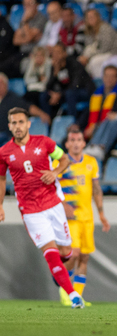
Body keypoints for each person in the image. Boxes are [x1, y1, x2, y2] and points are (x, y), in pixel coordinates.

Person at [0, 107, 84, 308]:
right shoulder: (4, 152)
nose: (17, 126)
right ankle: (73, 295)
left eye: (21, 122)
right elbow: (2, 179)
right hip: (30, 210)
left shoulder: (45, 143)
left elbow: (64, 159)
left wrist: (55, 172)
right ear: (9, 126)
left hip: (53, 204)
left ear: (28, 124)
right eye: (13, 123)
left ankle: (60, 274)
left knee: (66, 251)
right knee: (51, 251)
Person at [54, 127, 110, 306]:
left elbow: (96, 189)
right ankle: (65, 289)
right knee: (73, 254)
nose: (76, 143)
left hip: (87, 217)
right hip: (69, 219)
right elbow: (50, 188)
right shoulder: (60, 163)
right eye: (72, 140)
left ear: (84, 143)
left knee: (84, 257)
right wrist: (62, 206)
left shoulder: (91, 162)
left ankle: (77, 296)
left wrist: (101, 214)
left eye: (79, 140)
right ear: (67, 144)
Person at [41, 42, 94, 119]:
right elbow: (48, 87)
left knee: (70, 94)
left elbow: (76, 85)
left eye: (58, 52)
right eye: (53, 53)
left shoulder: (74, 64)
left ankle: (72, 121)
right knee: (44, 95)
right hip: (66, 92)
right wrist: (55, 74)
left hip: (84, 91)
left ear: (65, 53)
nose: (55, 55)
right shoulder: (55, 66)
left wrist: (59, 94)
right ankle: (47, 122)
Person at [0, 74, 51, 145]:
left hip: (8, 136)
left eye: (1, 84)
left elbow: (28, 107)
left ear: (6, 85)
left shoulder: (12, 98)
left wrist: (41, 114)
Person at [5, 0, 48, 78]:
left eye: (30, 3)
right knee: (3, 66)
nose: (27, 7)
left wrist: (25, 22)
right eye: (25, 4)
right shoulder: (24, 18)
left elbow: (28, 37)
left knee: (18, 67)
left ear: (36, 4)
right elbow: (15, 40)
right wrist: (28, 35)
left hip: (33, 53)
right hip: (21, 52)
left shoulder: (41, 18)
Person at [81, 65, 117, 140]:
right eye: (106, 76)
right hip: (93, 127)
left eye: (112, 76)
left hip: (106, 130)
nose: (109, 79)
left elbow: (112, 117)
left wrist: (94, 128)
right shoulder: (97, 93)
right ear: (103, 77)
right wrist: (77, 125)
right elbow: (88, 111)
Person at [79, 9, 117, 79]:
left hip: (114, 53)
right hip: (100, 53)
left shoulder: (105, 28)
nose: (91, 19)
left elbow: (105, 48)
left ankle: (99, 82)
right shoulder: (89, 31)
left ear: (98, 17)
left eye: (92, 17)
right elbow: (88, 46)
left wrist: (88, 57)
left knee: (94, 62)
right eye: (88, 18)